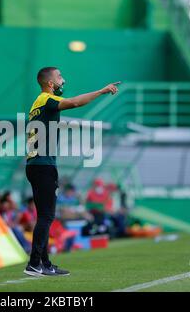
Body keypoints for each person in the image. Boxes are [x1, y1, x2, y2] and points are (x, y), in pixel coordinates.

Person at [24, 66, 120, 277]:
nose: (62, 80)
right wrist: (102, 91)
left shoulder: (39, 103)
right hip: (42, 165)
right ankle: (33, 263)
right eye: (59, 77)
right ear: (50, 83)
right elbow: (75, 102)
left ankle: (45, 263)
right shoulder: (45, 99)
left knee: (45, 217)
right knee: (46, 217)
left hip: (38, 165)